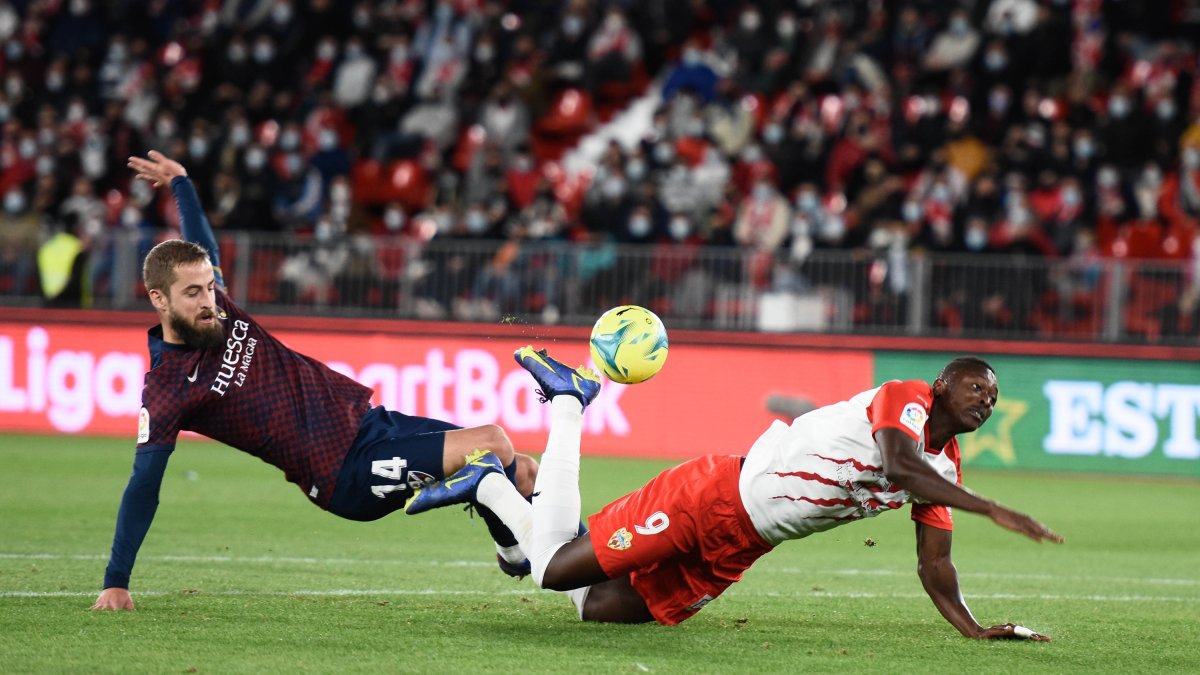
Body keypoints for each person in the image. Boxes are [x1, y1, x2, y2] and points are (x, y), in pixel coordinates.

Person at [91, 151, 533, 611]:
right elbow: (143, 484)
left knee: (523, 470)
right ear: (158, 299)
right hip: (343, 473)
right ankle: (516, 555)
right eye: (193, 293)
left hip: (371, 426)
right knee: (493, 444)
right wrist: (116, 581)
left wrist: (182, 183)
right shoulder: (167, 388)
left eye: (208, 287)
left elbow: (205, 245)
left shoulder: (216, 310)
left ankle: (580, 565)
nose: (209, 300)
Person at [408, 348, 1064, 639]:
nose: (988, 399)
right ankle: (551, 425)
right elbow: (899, 463)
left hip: (744, 544)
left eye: (995, 396)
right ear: (944, 384)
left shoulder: (946, 461)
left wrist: (972, 628)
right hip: (713, 492)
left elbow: (934, 561)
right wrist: (992, 506)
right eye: (978, 387)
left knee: (595, 606)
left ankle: (511, 489)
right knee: (553, 571)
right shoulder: (905, 399)